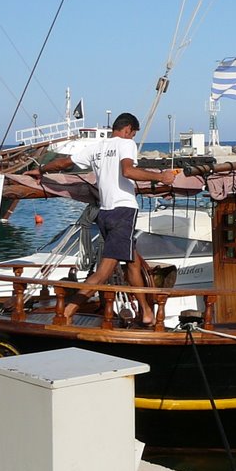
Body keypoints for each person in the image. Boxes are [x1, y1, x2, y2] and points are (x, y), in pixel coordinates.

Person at [25, 112, 175, 325]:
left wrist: (40, 170)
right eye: (132, 134)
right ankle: (67, 312)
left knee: (131, 263)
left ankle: (146, 313)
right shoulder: (126, 144)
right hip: (123, 211)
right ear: (127, 130)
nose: (132, 138)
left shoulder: (96, 148)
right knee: (102, 273)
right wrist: (162, 177)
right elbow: (128, 171)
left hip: (104, 214)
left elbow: (62, 163)